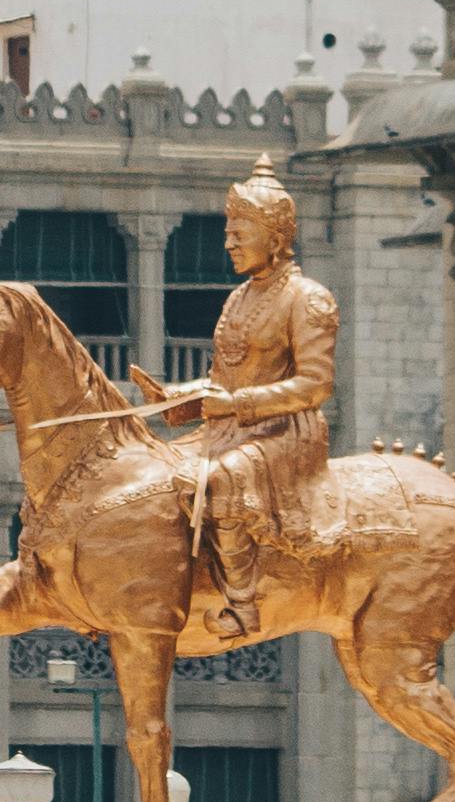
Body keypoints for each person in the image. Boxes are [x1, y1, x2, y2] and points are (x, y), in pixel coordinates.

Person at [126, 161, 338, 631]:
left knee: (220, 481)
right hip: (228, 429)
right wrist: (174, 397)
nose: (229, 243)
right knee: (153, 476)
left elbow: (315, 385)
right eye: (229, 233)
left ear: (275, 236)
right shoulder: (239, 297)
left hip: (283, 433)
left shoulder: (309, 298)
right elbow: (225, 378)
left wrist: (239, 407)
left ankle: (243, 605)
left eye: (241, 233)